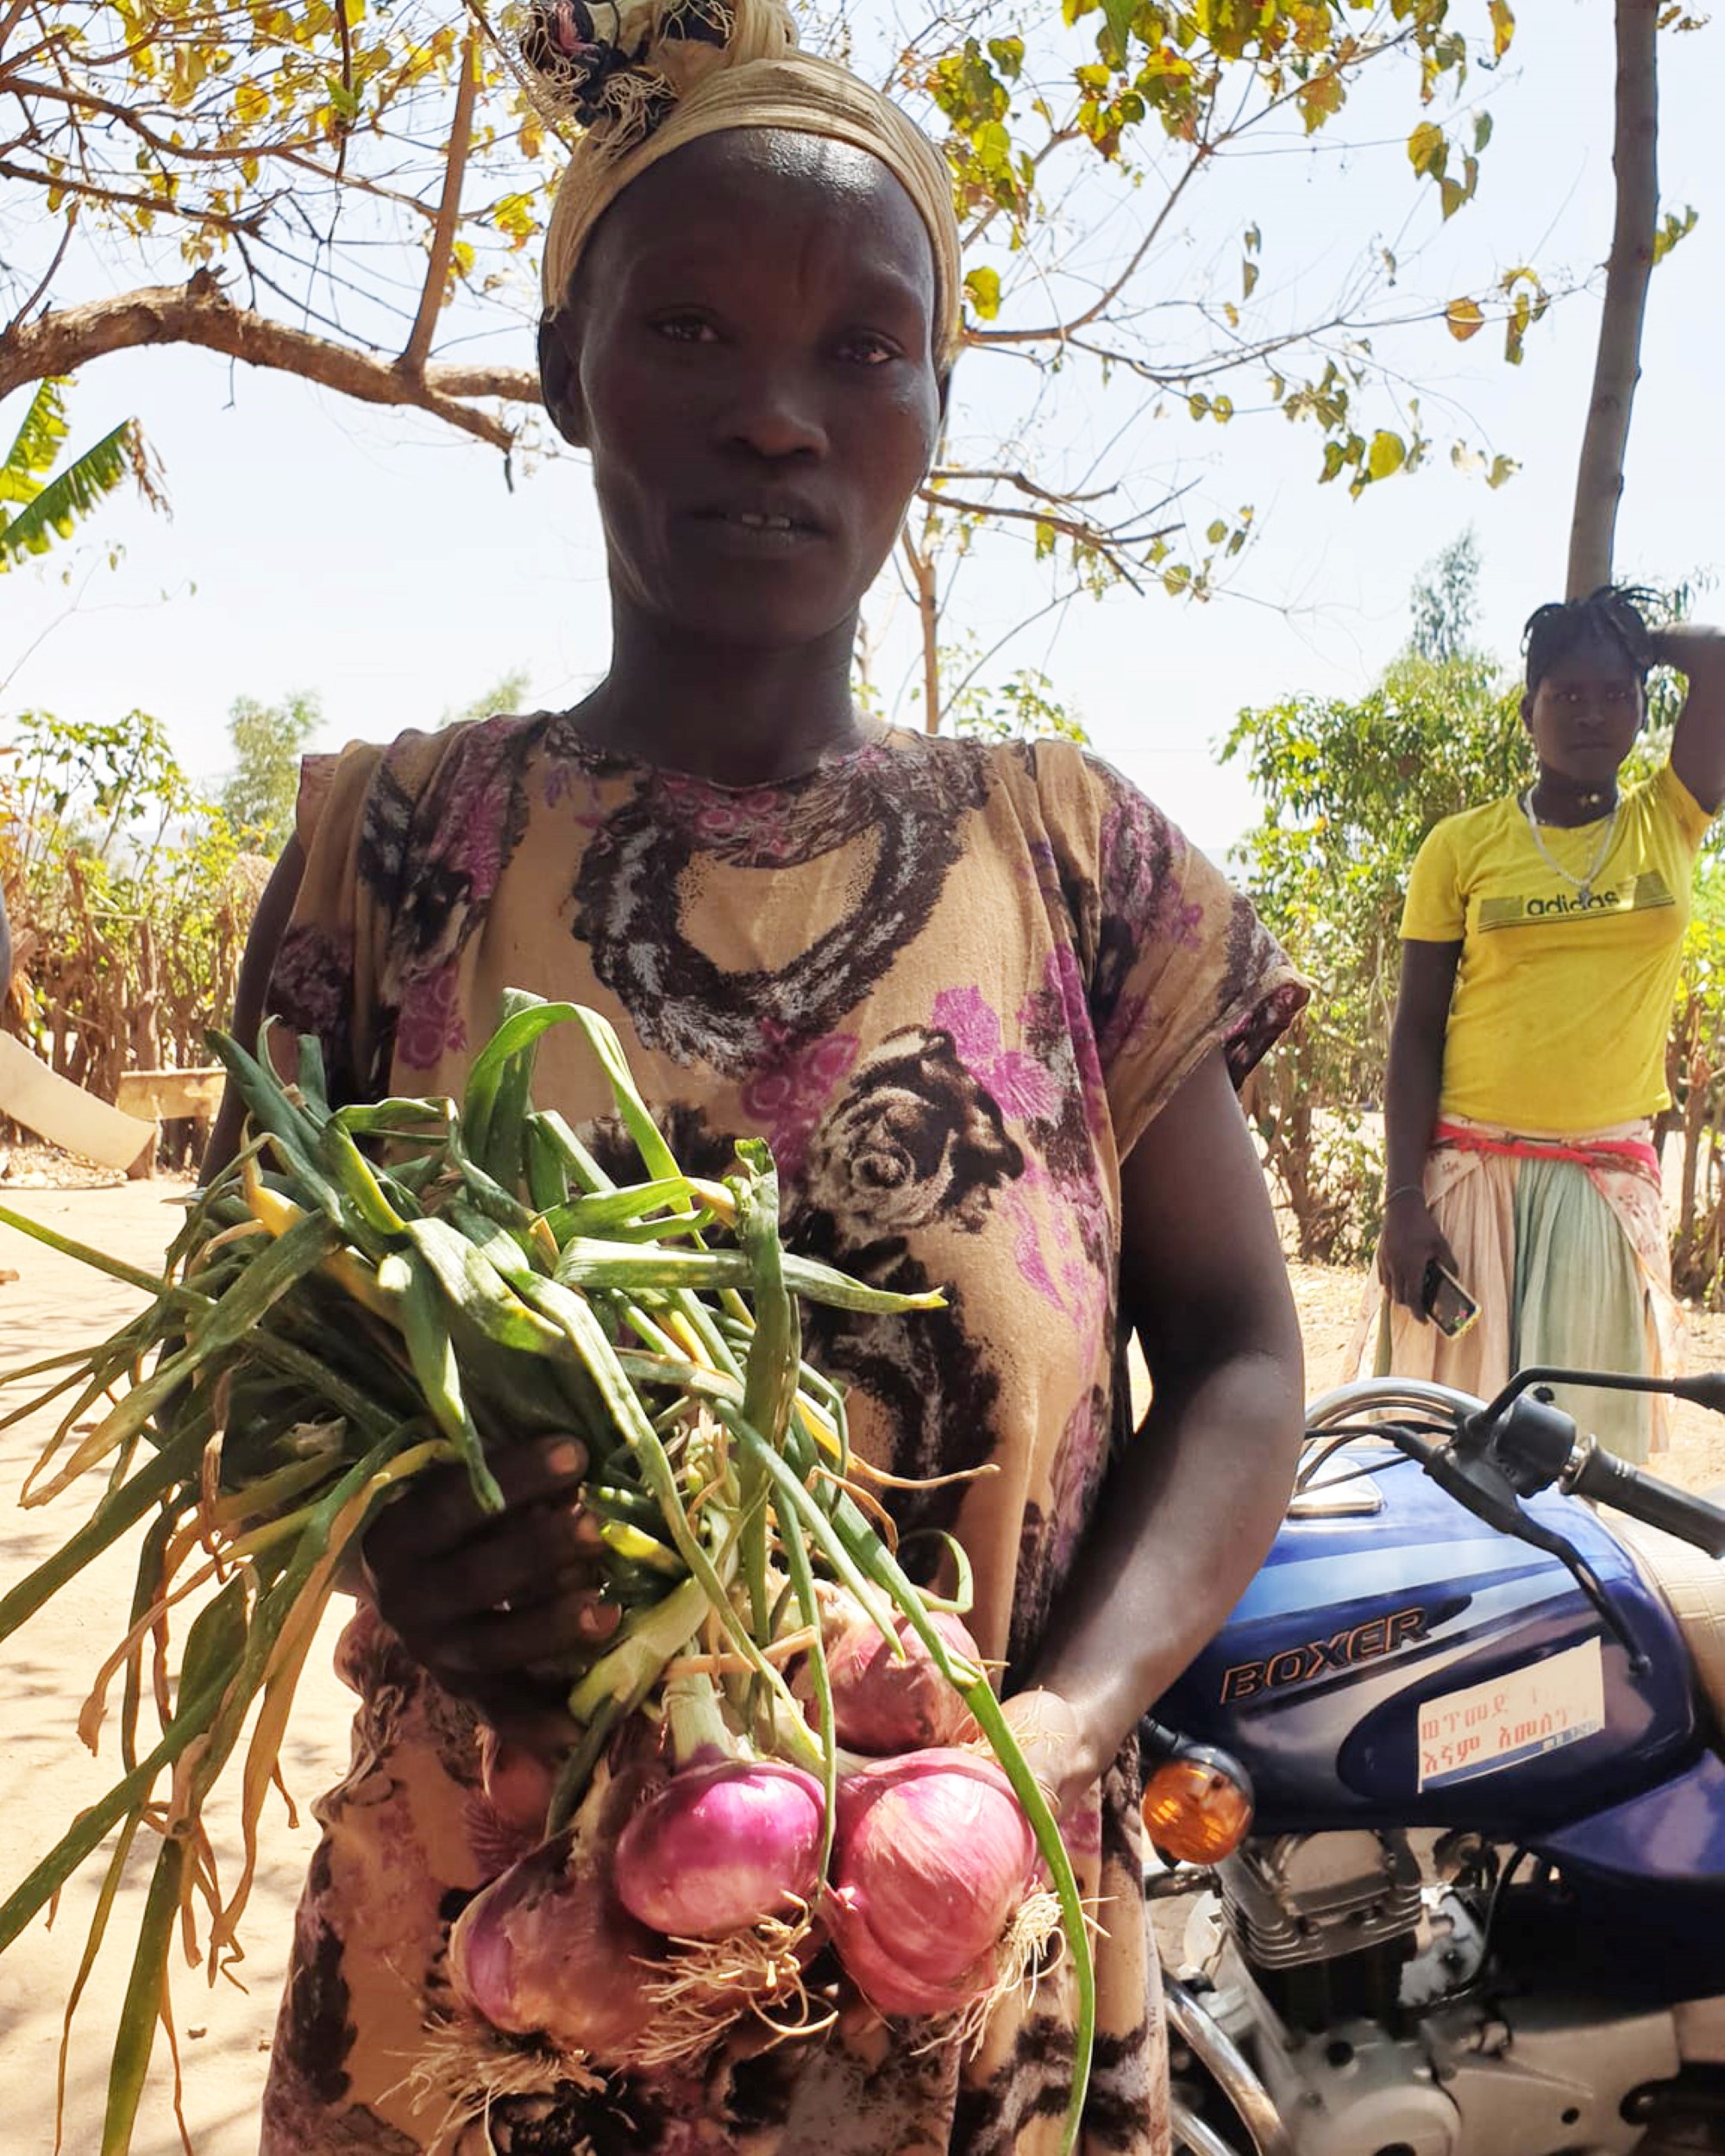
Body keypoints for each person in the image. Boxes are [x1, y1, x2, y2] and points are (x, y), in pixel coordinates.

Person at [211, 4, 1308, 2147]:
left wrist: (1054, 1739)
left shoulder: (1074, 863)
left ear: (929, 402)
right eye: (691, 330)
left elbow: (1249, 1352)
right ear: (563, 370)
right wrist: (384, 1540)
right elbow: (244, 1368)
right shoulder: (390, 851)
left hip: (957, 1969)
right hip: (478, 1984)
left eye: (861, 350)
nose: (779, 420)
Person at [1372, 586, 1725, 1459]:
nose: (1589, 713)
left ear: (1643, 705)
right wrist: (1401, 1198)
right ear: (1526, 711)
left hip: (1598, 1187)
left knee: (1578, 1467)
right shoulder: (1460, 846)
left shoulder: (1668, 817)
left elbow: (1718, 655)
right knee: (1446, 1453)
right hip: (1466, 1181)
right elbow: (1414, 1030)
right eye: (1563, 694)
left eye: (1613, 693)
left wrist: (1631, 634)